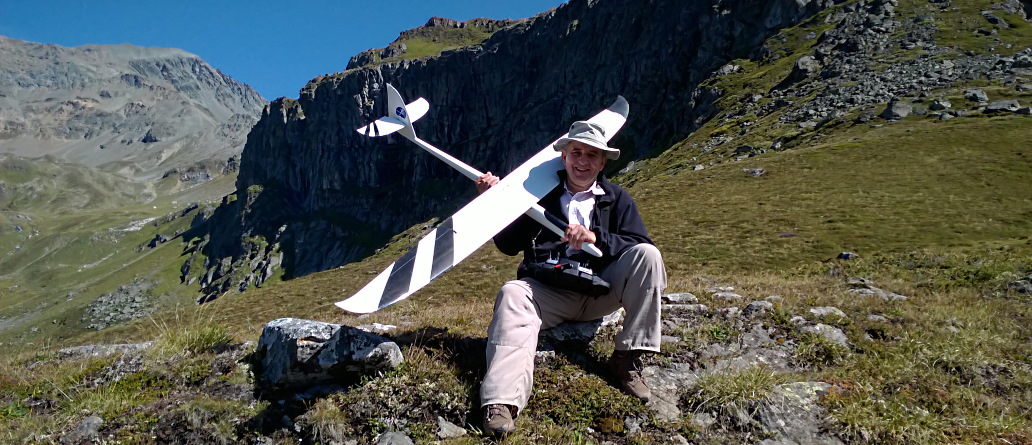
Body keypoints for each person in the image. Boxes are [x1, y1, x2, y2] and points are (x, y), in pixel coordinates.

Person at [473, 120, 667, 437]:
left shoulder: (618, 199)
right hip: (549, 293)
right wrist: (493, 202)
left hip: (600, 291)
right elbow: (508, 246)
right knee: (512, 292)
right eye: (576, 152)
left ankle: (627, 359)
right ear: (564, 157)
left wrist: (595, 237)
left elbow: (638, 244)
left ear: (603, 162)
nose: (582, 161)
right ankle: (500, 402)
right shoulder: (537, 197)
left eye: (592, 155)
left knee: (648, 256)